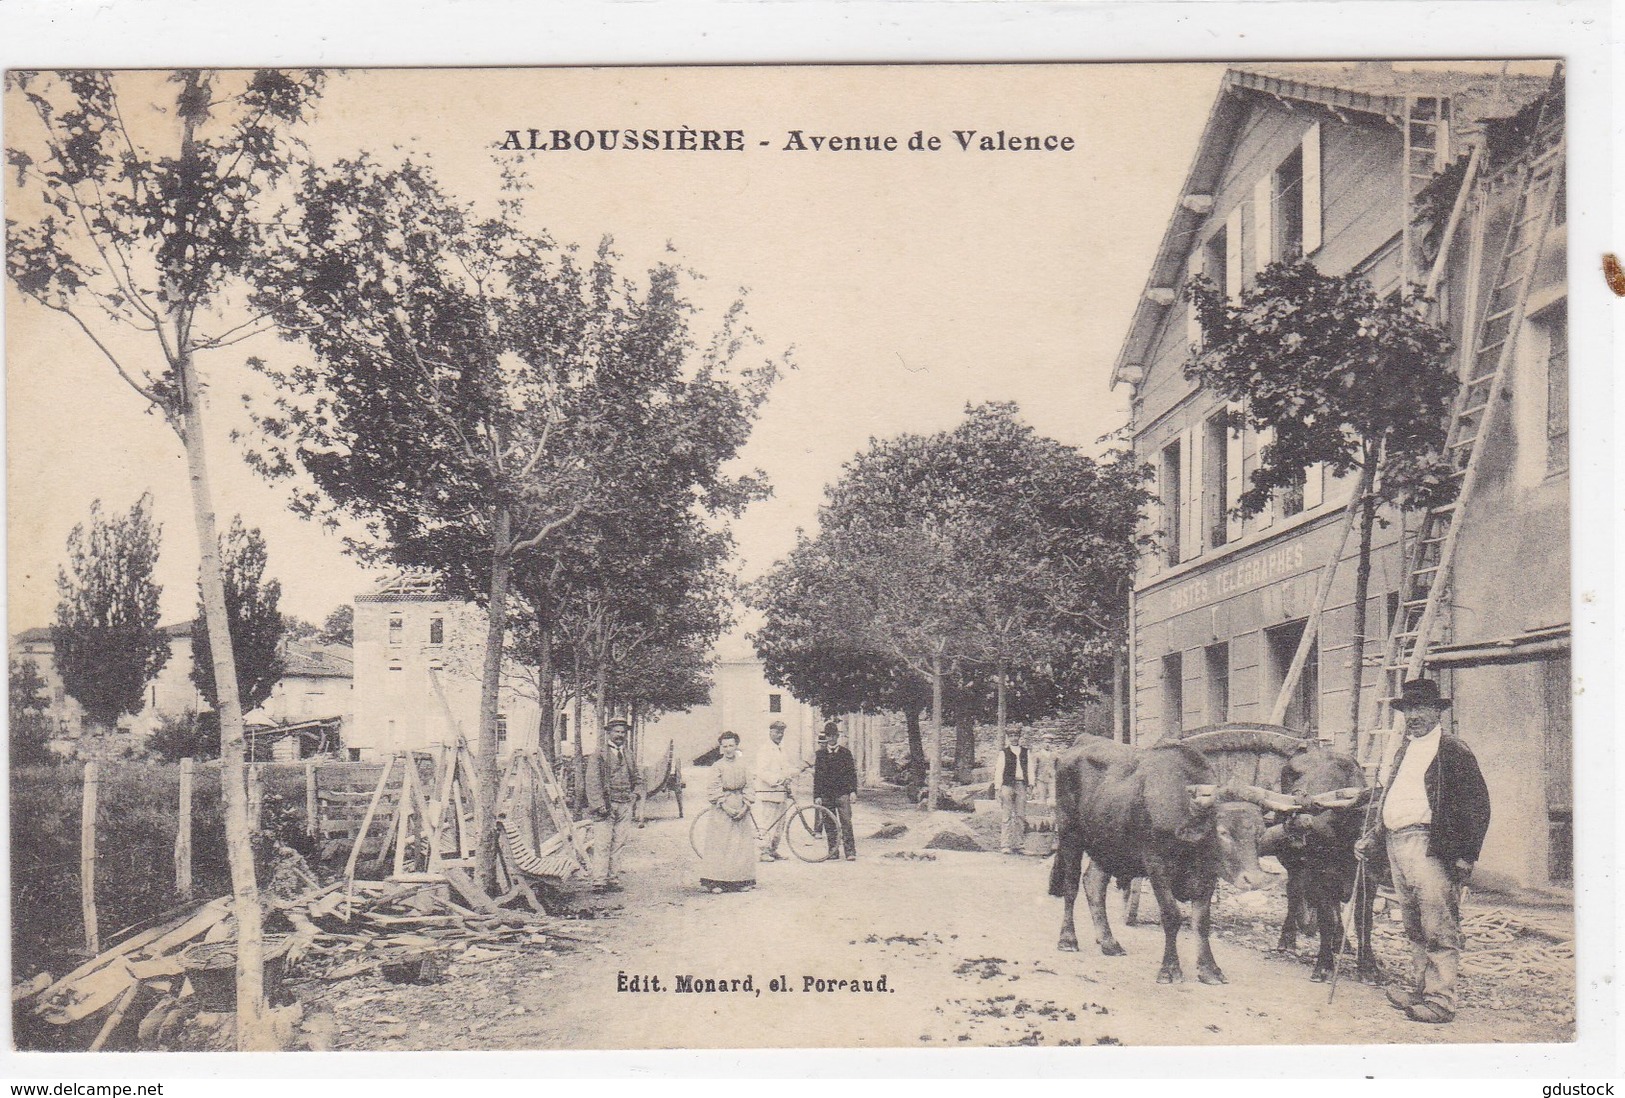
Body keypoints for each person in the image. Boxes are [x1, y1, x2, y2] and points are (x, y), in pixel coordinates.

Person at [1356, 677, 1491, 1025]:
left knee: (1438, 925)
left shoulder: (1452, 749)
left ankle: (1442, 1001)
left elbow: (1478, 806)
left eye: (1420, 708)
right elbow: (1393, 798)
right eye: (1408, 709)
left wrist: (1466, 855)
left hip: (1430, 846)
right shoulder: (1405, 749)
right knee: (1414, 925)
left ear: (1437, 711)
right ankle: (1421, 991)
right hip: (1396, 843)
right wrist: (1374, 835)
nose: (1413, 716)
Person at [585, 718, 644, 894]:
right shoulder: (599, 755)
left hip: (625, 804)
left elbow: (638, 779)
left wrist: (635, 795)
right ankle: (599, 881)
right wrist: (598, 804)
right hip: (606, 806)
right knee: (603, 843)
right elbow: (592, 781)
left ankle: (613, 879)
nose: (620, 735)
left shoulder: (629, 754)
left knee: (619, 843)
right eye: (616, 731)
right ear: (608, 733)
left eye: (622, 732)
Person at [698, 732, 757, 893]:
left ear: (736, 745)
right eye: (725, 746)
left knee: (740, 845)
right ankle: (717, 882)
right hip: (722, 809)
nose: (728, 749)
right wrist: (727, 808)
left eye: (731, 745)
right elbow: (713, 789)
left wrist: (745, 807)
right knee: (721, 844)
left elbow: (750, 786)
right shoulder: (717, 766)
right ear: (721, 748)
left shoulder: (744, 765)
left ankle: (740, 880)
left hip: (741, 805)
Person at [753, 719, 804, 861]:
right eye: (777, 732)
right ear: (770, 732)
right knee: (768, 823)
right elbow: (761, 771)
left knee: (780, 824)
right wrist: (778, 780)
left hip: (781, 793)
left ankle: (773, 849)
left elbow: (785, 768)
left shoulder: (781, 749)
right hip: (769, 792)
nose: (779, 735)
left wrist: (794, 773)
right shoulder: (765, 750)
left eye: (782, 732)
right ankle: (763, 852)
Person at [812, 721, 858, 860]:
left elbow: (851, 774)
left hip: (842, 794)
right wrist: (817, 795)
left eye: (834, 736)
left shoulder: (845, 753)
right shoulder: (820, 754)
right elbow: (818, 777)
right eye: (828, 736)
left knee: (846, 822)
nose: (831, 738)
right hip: (826, 795)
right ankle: (833, 851)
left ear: (837, 736)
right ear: (826, 737)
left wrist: (853, 791)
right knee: (829, 824)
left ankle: (850, 852)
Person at [991, 727, 1032, 854]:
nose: (1014, 738)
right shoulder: (1004, 752)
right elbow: (999, 771)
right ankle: (1005, 844)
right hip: (1007, 785)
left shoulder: (1026, 752)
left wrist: (1031, 784)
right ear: (1009, 738)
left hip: (1021, 785)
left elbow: (1030, 769)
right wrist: (998, 788)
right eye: (1012, 736)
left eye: (1016, 735)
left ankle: (1019, 845)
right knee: (1007, 815)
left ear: (1019, 737)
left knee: (1020, 815)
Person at [1031, 731, 1060, 807]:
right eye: (1046, 742)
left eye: (1050, 743)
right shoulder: (1037, 755)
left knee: (1053, 799)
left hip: (1052, 779)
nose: (1048, 744)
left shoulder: (1055, 755)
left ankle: (1051, 816)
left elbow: (1057, 767)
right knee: (1041, 799)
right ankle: (1042, 817)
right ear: (1042, 743)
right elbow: (1034, 769)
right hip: (1041, 779)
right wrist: (1033, 783)